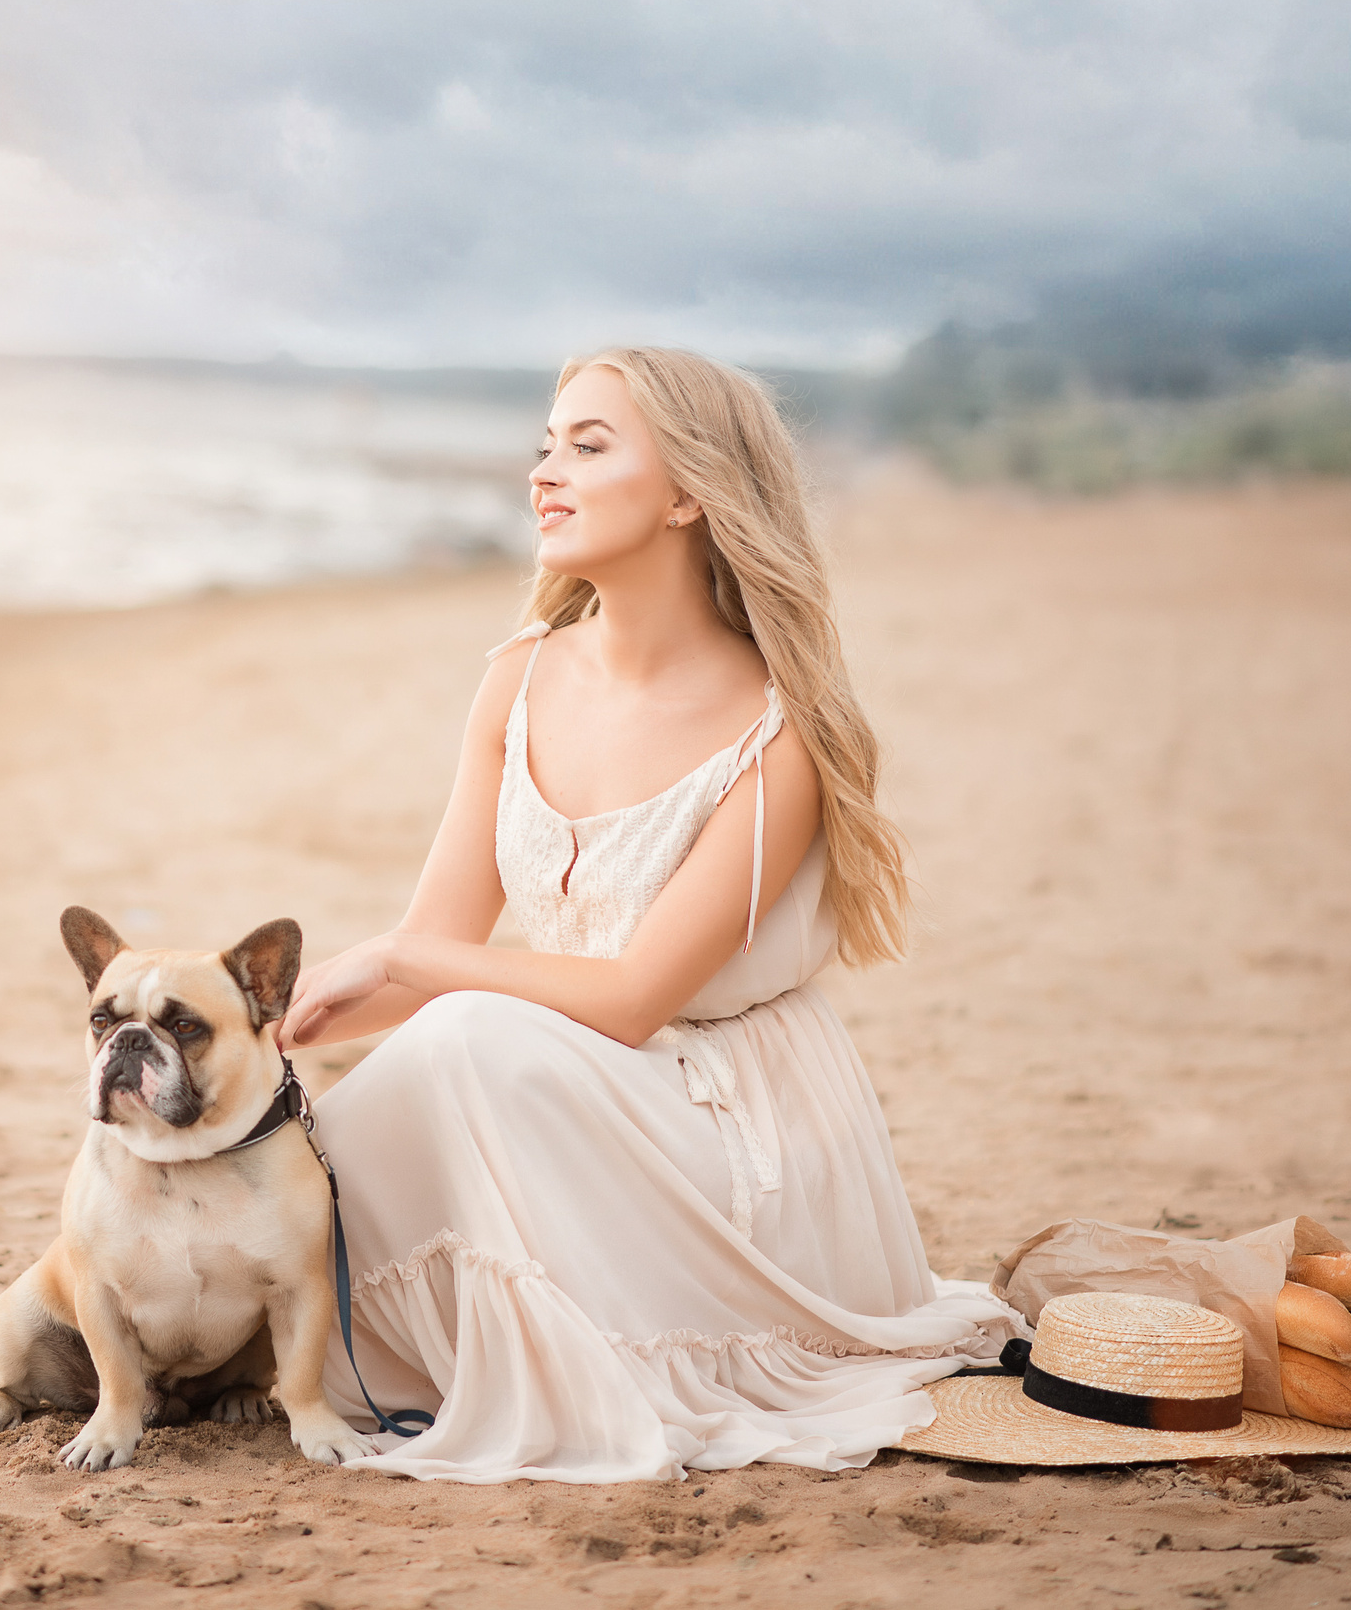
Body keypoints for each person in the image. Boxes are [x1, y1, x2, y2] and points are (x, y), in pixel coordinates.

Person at [275, 346, 1017, 1484]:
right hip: (554, 1078)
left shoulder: (779, 735)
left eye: (588, 444)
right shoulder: (519, 673)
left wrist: (407, 955)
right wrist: (256, 1044)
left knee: (463, 1040)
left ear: (687, 493)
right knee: (297, 1153)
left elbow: (628, 1001)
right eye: (543, 444)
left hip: (727, 1120)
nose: (544, 473)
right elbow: (430, 954)